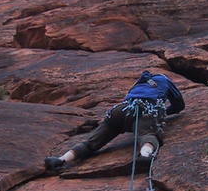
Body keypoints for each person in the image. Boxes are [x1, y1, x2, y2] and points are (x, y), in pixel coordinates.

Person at [44, 70, 185, 172]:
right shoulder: (165, 80)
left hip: (120, 111)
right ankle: (145, 155)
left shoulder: (138, 83)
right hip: (146, 109)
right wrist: (163, 114)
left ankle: (61, 159)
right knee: (148, 135)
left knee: (91, 142)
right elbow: (179, 105)